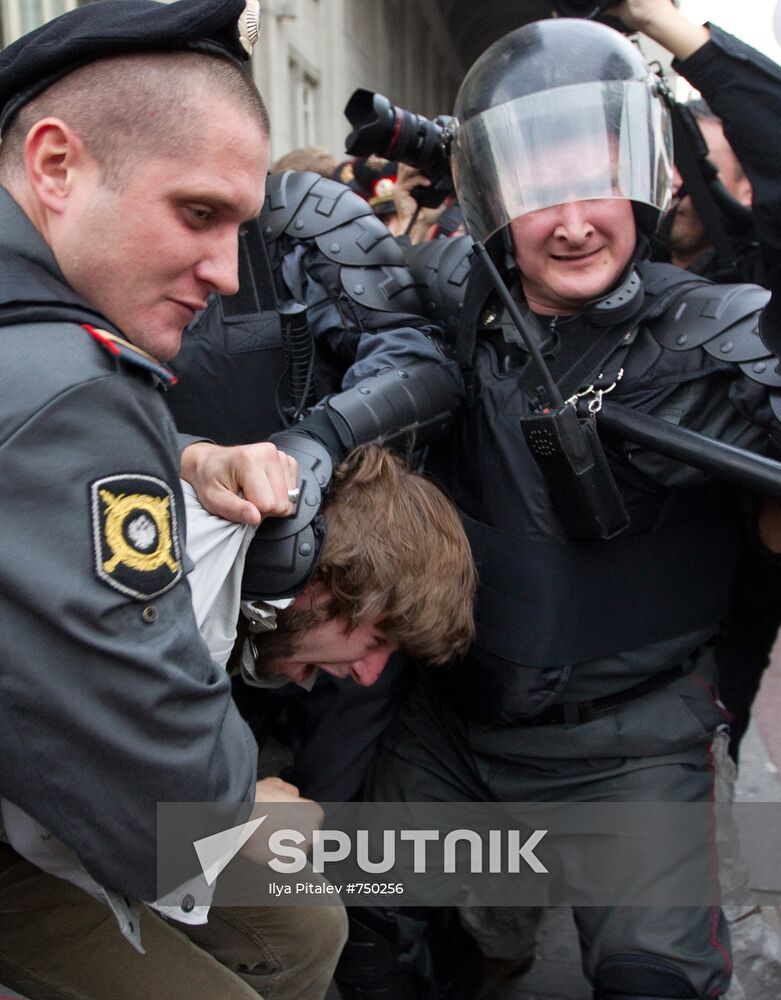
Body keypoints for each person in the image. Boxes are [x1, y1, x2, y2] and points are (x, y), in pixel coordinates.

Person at [342, 16, 781, 1000]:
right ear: (494, 196)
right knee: (361, 941)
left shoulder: (709, 337)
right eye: (540, 192)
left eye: (594, 184)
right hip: (451, 734)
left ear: (643, 181)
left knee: (651, 984)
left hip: (628, 751)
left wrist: (696, 46)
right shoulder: (449, 298)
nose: (572, 221)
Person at [0, 2, 346, 999]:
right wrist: (242, 800)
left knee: (298, 917)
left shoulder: (46, 347)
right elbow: (141, 723)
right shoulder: (67, 383)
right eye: (197, 214)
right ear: (56, 167)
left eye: (240, 226)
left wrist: (181, 456)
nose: (226, 272)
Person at [166, 161, 462, 801]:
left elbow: (418, 361)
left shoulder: (292, 220)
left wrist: (318, 442)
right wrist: (189, 456)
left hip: (296, 574)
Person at [611, 0, 781, 768]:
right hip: (616, 598)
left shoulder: (752, 283)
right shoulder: (593, 282)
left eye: (695, 164)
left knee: (709, 743)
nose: (673, 182)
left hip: (732, 585)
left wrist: (657, 21)